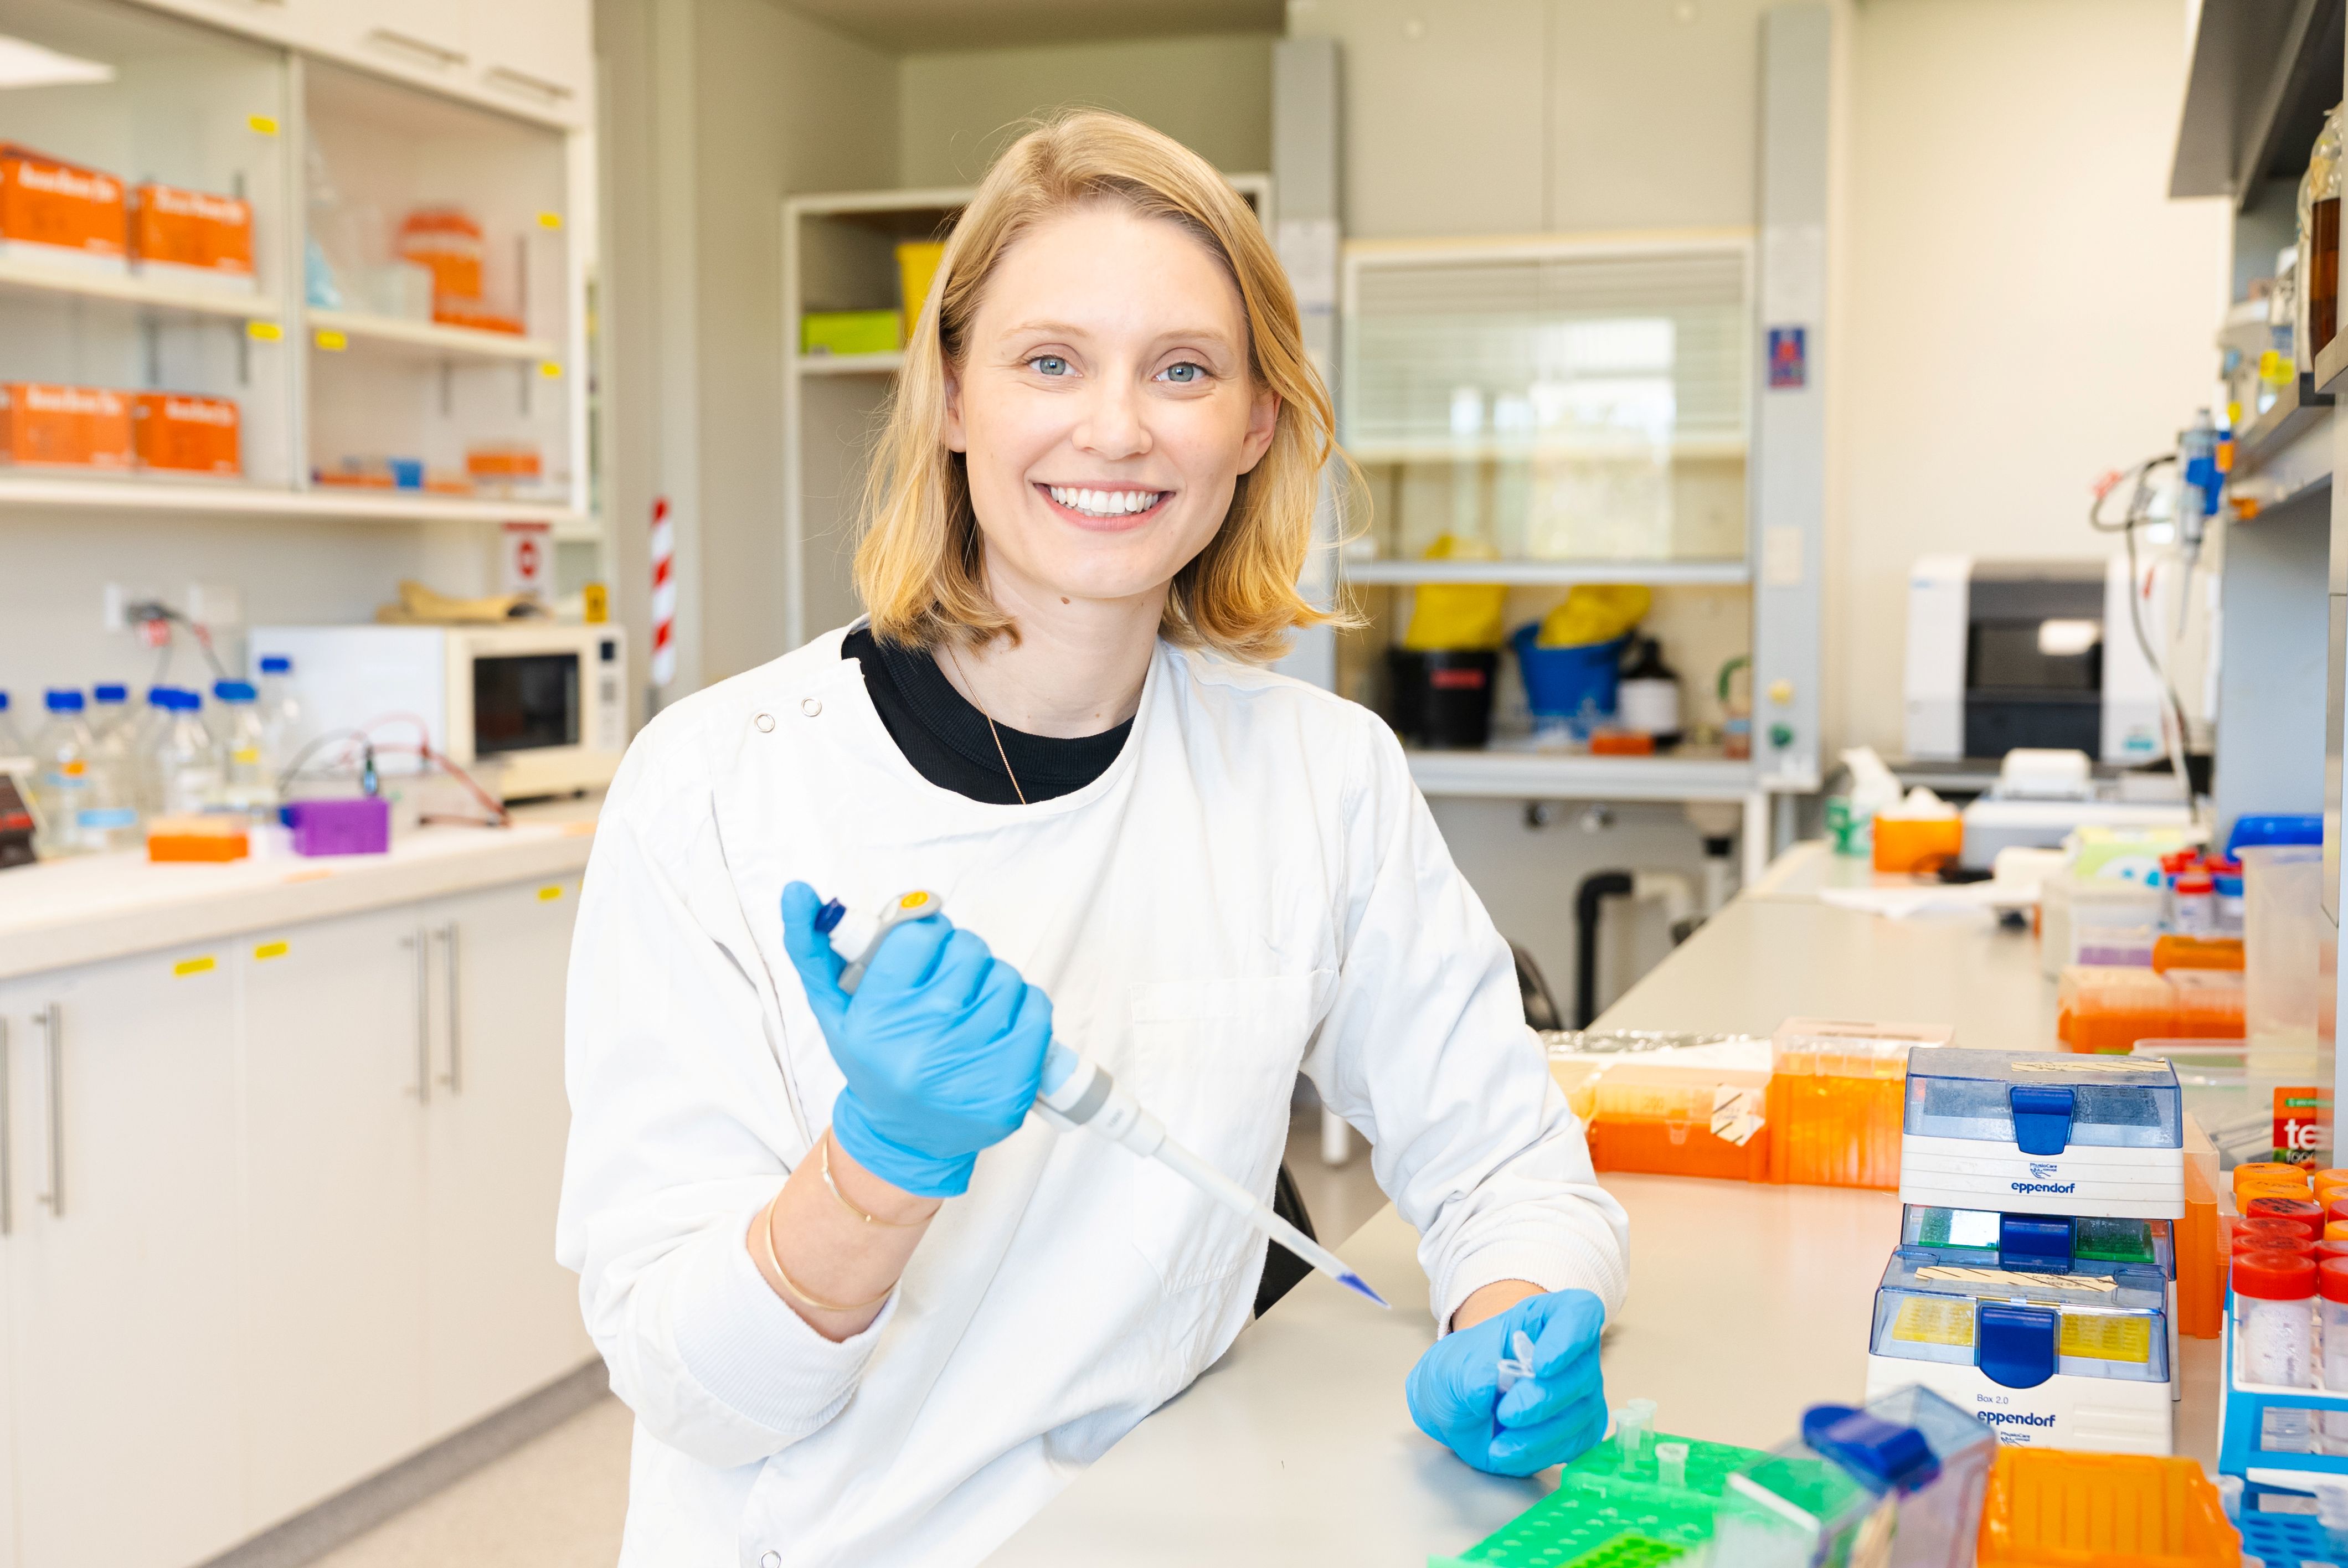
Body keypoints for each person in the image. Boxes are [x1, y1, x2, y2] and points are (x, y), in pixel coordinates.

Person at [557, 109, 1630, 1567]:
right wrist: (878, 1166)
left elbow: (1506, 1164)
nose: (1118, 429)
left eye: (1183, 370)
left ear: (1255, 424)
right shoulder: (718, 787)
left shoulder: (1319, 776)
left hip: (1179, 1521)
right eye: (1050, 361)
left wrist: (1514, 1324)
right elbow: (700, 1395)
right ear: (952, 396)